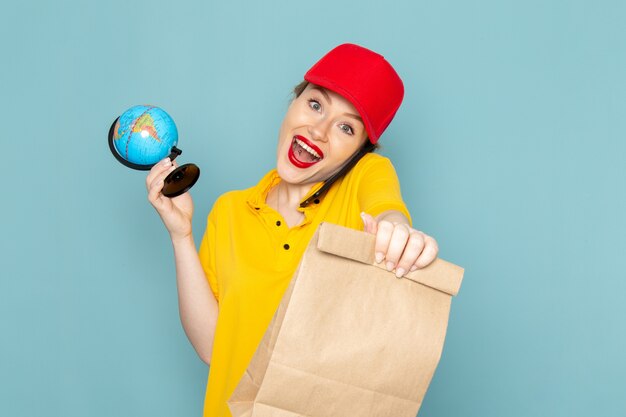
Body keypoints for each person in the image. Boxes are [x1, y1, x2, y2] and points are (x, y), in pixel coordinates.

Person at [146, 43, 439, 417]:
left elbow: (387, 210)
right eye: (316, 104)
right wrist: (181, 235)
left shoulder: (365, 178)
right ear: (294, 101)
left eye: (346, 127)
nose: (318, 131)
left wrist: (398, 234)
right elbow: (214, 348)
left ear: (359, 151)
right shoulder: (230, 210)